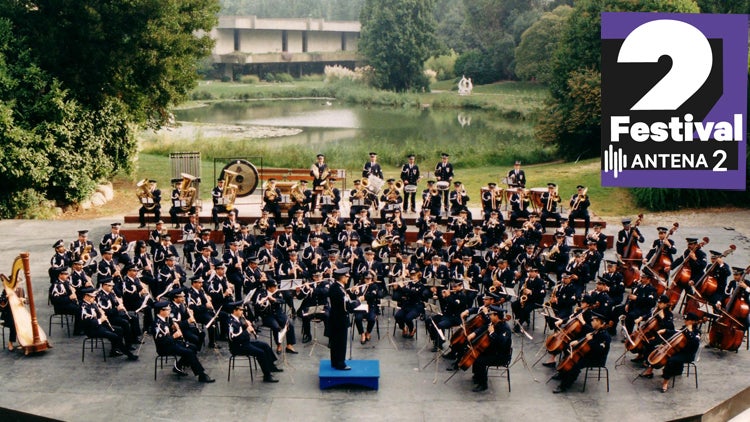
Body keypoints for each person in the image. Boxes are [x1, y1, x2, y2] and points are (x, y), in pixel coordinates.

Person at [152, 300, 215, 382]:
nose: (169, 311)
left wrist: (173, 328)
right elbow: (162, 341)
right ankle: (201, 375)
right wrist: (174, 336)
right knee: (189, 352)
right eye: (167, 310)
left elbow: (169, 331)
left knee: (193, 347)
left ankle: (178, 366)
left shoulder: (165, 319)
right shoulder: (157, 324)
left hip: (172, 343)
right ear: (161, 311)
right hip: (165, 347)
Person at [552, 312, 611, 393]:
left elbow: (598, 350)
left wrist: (590, 341)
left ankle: (564, 385)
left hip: (596, 359)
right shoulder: (596, 331)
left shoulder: (605, 336)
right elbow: (586, 337)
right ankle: (562, 374)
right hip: (589, 354)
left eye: (594, 321)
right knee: (567, 350)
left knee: (575, 364)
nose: (592, 322)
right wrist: (577, 341)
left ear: (601, 324)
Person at [226, 300, 282, 383]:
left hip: (245, 343)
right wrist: (247, 331)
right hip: (238, 346)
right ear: (235, 311)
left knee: (265, 345)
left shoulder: (238, 319)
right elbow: (235, 338)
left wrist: (248, 325)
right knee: (260, 353)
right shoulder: (231, 323)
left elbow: (242, 330)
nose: (242, 312)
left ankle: (271, 366)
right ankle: (267, 376)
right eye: (240, 310)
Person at [79, 287, 138, 361]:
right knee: (114, 336)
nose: (94, 298)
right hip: (92, 330)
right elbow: (88, 323)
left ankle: (114, 350)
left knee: (119, 330)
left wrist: (101, 314)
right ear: (86, 296)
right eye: (92, 297)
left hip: (99, 326)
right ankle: (129, 354)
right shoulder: (83, 307)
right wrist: (101, 319)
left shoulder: (92, 303)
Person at [470, 305, 513, 392]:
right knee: (476, 352)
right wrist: (474, 333)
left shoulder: (505, 329)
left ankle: (483, 384)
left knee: (480, 360)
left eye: (491, 315)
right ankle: (477, 376)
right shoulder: (494, 323)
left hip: (501, 356)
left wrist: (492, 333)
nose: (489, 316)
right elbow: (484, 327)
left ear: (496, 316)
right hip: (495, 351)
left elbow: (501, 343)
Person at [255, 279, 298, 354]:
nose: (276, 288)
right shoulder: (261, 293)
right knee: (276, 327)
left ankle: (289, 345)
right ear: (269, 288)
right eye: (274, 287)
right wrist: (264, 302)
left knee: (290, 324)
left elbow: (282, 300)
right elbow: (257, 306)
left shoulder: (277, 292)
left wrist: (274, 299)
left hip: (279, 313)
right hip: (268, 316)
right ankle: (279, 345)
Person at [329, 268, 353, 370]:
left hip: (335, 318)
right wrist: (358, 301)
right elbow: (347, 306)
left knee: (335, 341)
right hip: (340, 319)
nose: (348, 278)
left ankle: (335, 361)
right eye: (347, 276)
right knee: (341, 342)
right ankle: (340, 363)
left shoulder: (336, 287)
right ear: (342, 277)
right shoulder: (339, 290)